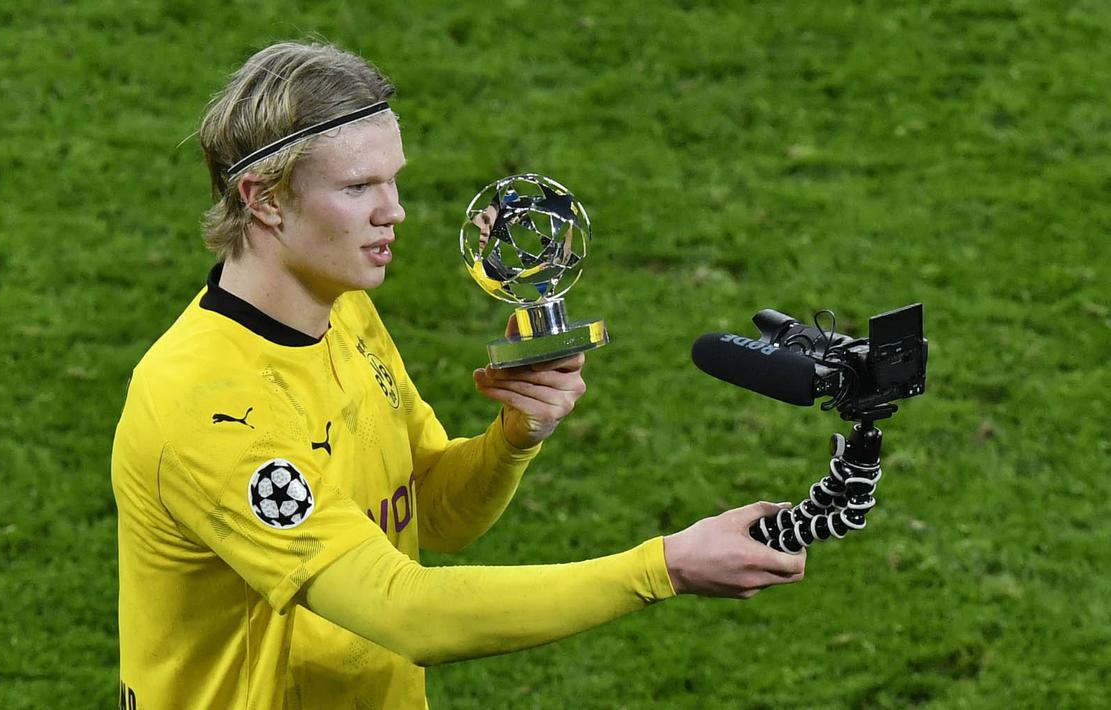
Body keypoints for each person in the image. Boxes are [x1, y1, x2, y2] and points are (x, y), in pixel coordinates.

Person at [111, 40, 806, 710]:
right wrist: (663, 567)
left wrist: (512, 438)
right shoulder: (205, 405)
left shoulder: (343, 311)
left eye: (393, 179)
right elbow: (405, 612)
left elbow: (431, 513)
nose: (394, 212)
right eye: (358, 188)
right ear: (263, 199)